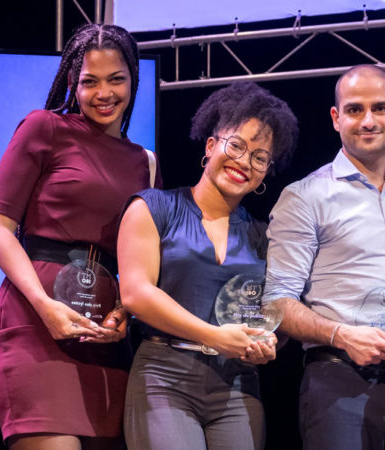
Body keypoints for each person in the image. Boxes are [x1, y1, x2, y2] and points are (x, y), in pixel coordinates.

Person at [0, 24, 154, 450]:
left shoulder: (144, 163)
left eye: (116, 79)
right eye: (89, 82)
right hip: (34, 326)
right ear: (71, 83)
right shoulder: (45, 129)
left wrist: (123, 314)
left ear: (133, 79)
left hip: (103, 339)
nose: (104, 93)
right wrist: (44, 306)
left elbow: (141, 263)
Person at [116, 82, 298, 450]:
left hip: (237, 387)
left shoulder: (262, 236)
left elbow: (276, 310)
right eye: (237, 145)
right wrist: (214, 336)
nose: (245, 162)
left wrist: (267, 341)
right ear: (211, 146)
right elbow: (136, 293)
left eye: (260, 157)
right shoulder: (153, 208)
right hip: (163, 376)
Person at [264, 64, 385, 450]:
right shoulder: (305, 196)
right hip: (339, 382)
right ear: (336, 118)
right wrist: (340, 334)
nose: (368, 120)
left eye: (380, 108)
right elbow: (276, 303)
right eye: (355, 109)